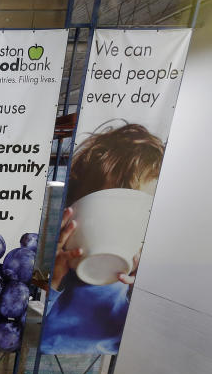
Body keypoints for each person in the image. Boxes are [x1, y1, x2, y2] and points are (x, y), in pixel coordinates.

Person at [40, 122, 164, 355]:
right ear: (76, 207)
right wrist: (52, 281)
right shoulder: (48, 261)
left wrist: (144, 295)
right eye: (109, 208)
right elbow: (24, 334)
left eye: (138, 210)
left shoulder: (139, 297)